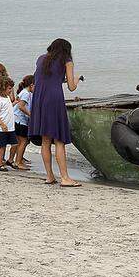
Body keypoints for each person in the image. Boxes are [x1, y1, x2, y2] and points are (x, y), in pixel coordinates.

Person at [28, 38, 82, 187]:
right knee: (59, 140)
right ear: (66, 50)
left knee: (45, 140)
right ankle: (65, 178)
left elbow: (44, 78)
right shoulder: (67, 60)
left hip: (39, 99)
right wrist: (76, 80)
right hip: (54, 99)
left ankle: (50, 176)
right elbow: (71, 87)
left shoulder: (41, 59)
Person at [0, 77, 17, 172]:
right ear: (2, 88)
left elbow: (7, 108)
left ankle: (10, 160)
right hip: (1, 128)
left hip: (10, 127)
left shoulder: (7, 98)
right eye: (9, 88)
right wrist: (2, 124)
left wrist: (15, 103)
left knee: (15, 144)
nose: (11, 90)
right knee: (2, 146)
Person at [12, 75, 34, 170]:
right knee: (23, 141)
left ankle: (18, 160)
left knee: (20, 141)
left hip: (15, 119)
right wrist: (30, 115)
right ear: (32, 85)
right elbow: (21, 106)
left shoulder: (23, 92)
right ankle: (18, 162)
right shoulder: (26, 93)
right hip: (20, 121)